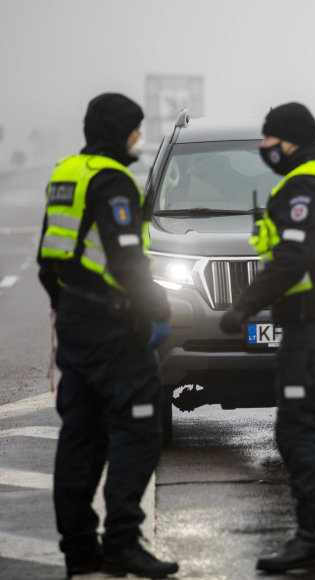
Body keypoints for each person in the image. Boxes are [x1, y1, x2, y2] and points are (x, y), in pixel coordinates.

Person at [218, 102, 315, 572]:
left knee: (296, 427)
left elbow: (293, 258)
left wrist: (244, 305)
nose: (264, 150)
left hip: (314, 323)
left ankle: (312, 534)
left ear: (289, 141)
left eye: (268, 142)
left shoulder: (302, 186)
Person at [37, 93, 177, 578]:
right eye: (135, 128)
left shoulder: (66, 174)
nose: (138, 136)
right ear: (121, 131)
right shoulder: (112, 182)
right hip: (114, 330)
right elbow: (127, 262)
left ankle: (80, 552)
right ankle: (122, 542)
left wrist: (68, 309)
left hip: (75, 327)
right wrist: (157, 310)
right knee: (140, 429)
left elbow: (47, 261)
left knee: (81, 437)